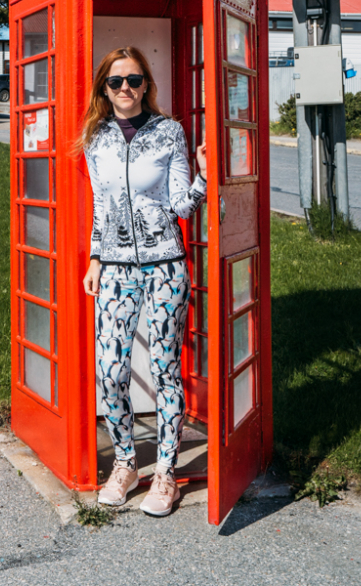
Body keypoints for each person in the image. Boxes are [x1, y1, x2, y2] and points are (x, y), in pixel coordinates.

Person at [80, 46, 206, 517]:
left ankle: (167, 475)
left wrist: (204, 179)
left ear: (146, 84)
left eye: (134, 80)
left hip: (165, 265)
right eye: (116, 82)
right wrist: (95, 258)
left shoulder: (169, 132)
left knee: (165, 370)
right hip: (114, 268)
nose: (126, 89)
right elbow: (101, 207)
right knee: (110, 370)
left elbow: (182, 206)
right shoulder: (97, 138)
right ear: (104, 88)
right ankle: (127, 463)